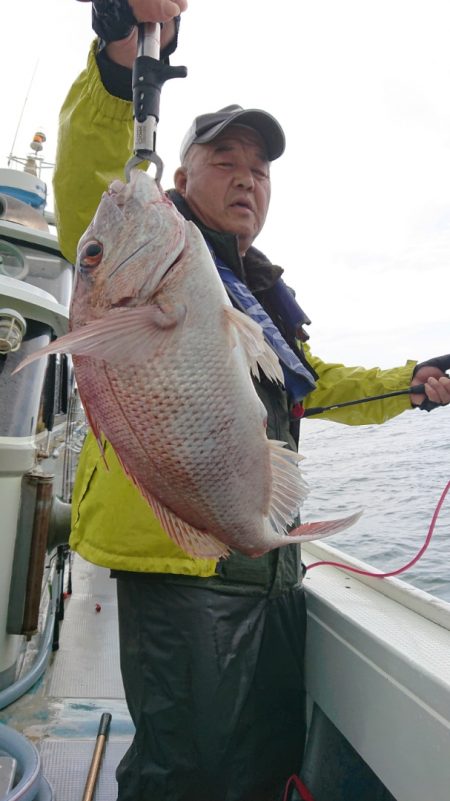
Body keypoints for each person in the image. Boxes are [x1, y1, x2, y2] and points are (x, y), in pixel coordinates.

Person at [56, 3, 450, 800]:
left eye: (260, 168)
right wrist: (118, 58)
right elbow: (91, 170)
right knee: (186, 771)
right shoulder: (151, 244)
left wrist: (415, 383)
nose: (246, 177)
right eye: (225, 157)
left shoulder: (257, 289)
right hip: (178, 564)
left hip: (264, 560)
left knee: (262, 764)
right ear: (179, 175)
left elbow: (313, 389)